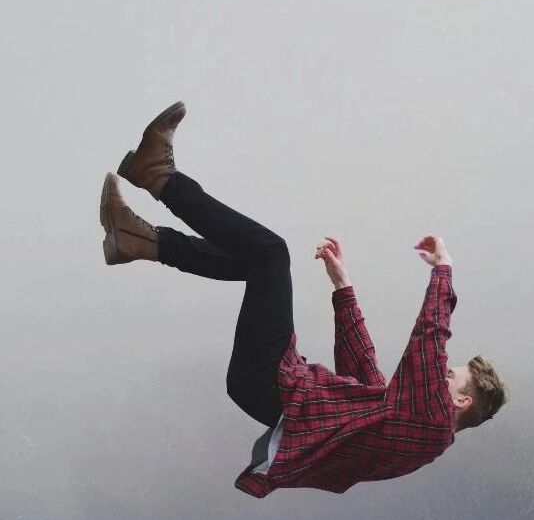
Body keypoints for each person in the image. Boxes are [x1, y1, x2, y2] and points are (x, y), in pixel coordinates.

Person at [100, 101, 510, 498]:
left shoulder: (432, 423)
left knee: (270, 252)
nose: (441, 372)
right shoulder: (413, 428)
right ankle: (138, 240)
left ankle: (158, 176)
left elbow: (429, 340)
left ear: (462, 400)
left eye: (450, 375)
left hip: (274, 385)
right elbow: (366, 381)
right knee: (256, 261)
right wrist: (343, 289)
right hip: (270, 390)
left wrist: (443, 271)